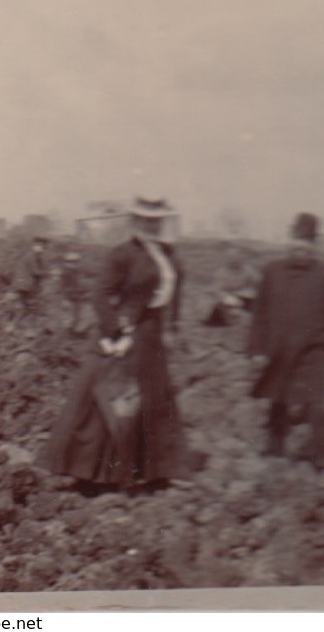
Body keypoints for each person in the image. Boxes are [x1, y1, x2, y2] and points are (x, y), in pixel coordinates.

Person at [39, 197, 194, 491]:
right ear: (135, 222)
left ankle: (162, 468)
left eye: (156, 220)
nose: (151, 225)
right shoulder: (122, 255)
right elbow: (100, 295)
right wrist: (117, 331)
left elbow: (175, 295)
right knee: (104, 394)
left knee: (155, 398)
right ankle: (83, 469)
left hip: (152, 334)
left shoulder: (169, 255)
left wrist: (172, 328)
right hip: (126, 330)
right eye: (146, 220)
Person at [247, 213, 324, 471]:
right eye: (297, 240)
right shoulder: (272, 272)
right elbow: (259, 314)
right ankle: (275, 448)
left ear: (314, 245)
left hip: (313, 350)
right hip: (279, 348)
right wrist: (256, 349)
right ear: (290, 239)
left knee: (316, 402)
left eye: (307, 242)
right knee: (278, 397)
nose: (301, 247)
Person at [203, 244, 260, 328]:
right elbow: (217, 289)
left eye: (237, 257)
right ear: (227, 259)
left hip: (243, 297)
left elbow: (259, 282)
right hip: (226, 299)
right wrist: (228, 298)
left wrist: (252, 292)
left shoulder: (248, 270)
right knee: (219, 307)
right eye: (231, 258)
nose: (234, 261)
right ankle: (228, 320)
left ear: (241, 258)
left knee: (257, 304)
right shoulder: (221, 272)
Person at [4, 235, 51, 334]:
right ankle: (28, 330)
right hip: (26, 286)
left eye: (43, 246)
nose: (42, 248)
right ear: (35, 245)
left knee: (24, 308)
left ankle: (12, 326)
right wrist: (48, 273)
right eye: (41, 246)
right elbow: (36, 272)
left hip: (21, 284)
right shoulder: (32, 256)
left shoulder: (34, 256)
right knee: (31, 307)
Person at [57, 250, 90, 336]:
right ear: (67, 262)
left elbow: (78, 284)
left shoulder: (76, 272)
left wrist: (81, 291)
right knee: (69, 315)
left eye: (75, 262)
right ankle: (67, 333)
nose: (73, 264)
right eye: (71, 262)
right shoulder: (65, 273)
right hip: (68, 297)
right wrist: (67, 295)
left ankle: (74, 331)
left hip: (76, 296)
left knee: (77, 314)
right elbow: (63, 286)